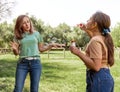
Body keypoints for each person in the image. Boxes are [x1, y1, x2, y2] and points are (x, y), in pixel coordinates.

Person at [10, 15, 60, 92]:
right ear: (20, 25)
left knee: (34, 89)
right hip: (22, 63)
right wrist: (14, 49)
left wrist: (51, 45)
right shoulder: (18, 36)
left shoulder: (36, 34)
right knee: (18, 89)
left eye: (28, 21)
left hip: (35, 63)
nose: (27, 24)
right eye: (24, 23)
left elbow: (41, 49)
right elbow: (16, 53)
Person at [70, 11, 114, 92]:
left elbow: (96, 66)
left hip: (98, 78)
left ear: (94, 24)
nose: (87, 21)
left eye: (89, 19)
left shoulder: (95, 40)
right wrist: (86, 29)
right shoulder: (102, 38)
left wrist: (78, 52)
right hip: (105, 77)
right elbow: (94, 38)